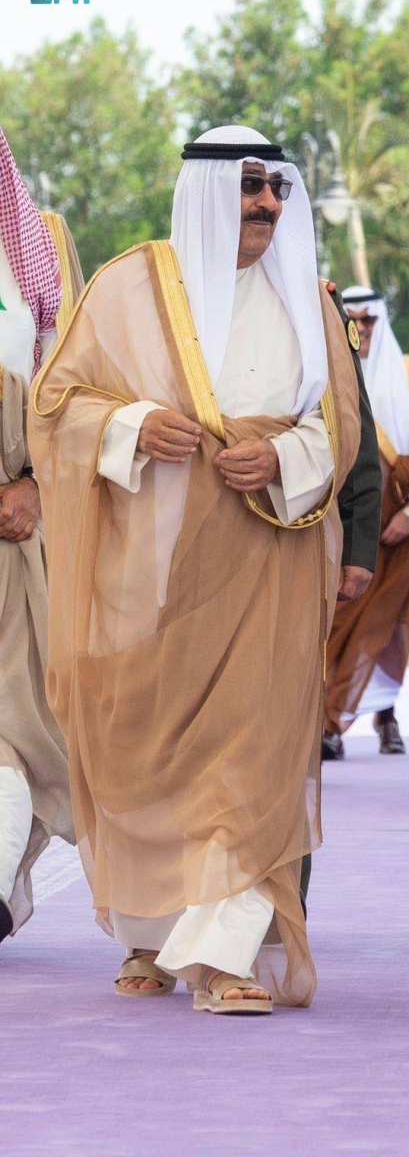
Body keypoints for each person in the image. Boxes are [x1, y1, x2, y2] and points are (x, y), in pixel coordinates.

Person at [29, 126, 380, 1015]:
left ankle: (225, 955)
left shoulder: (308, 300)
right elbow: (57, 405)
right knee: (150, 750)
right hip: (150, 569)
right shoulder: (126, 288)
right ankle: (151, 930)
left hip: (271, 558)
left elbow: (340, 428)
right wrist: (134, 425)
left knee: (254, 749)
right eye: (250, 186)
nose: (266, 205)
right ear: (208, 192)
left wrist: (285, 456)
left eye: (277, 190)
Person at [0, 127, 82, 944]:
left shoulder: (34, 257)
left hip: (20, 540)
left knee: (19, 721)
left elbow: (71, 393)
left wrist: (34, 484)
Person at [322, 287, 409, 760]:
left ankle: (383, 716)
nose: (361, 329)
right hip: (351, 524)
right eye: (352, 320)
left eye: (368, 320)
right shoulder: (332, 371)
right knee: (341, 622)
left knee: (390, 624)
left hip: (405, 524)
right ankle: (329, 719)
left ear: (381, 321)